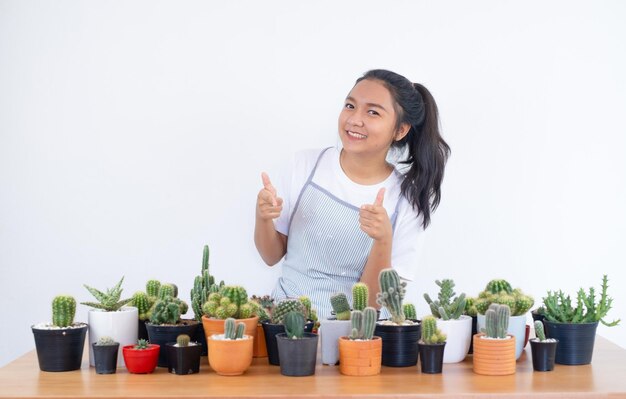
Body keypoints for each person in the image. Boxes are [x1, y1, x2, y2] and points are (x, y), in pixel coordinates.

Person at [254, 69, 450, 319]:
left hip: (356, 336)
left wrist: (382, 240)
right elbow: (270, 256)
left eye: (373, 112)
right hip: (284, 325)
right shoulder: (304, 165)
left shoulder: (406, 202)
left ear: (400, 130)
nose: (355, 119)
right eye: (350, 105)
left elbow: (373, 304)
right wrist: (263, 218)